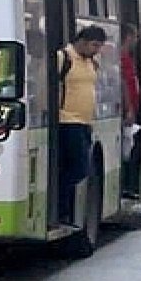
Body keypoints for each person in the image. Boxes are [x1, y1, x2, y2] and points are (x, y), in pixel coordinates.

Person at [56, 26, 106, 225]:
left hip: (84, 122)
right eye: (94, 45)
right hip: (67, 121)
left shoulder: (91, 61)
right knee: (78, 168)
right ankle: (61, 208)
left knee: (79, 168)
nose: (96, 50)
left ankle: (64, 210)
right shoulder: (64, 58)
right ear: (82, 41)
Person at [120, 24, 141, 196]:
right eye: (135, 37)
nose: (136, 41)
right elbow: (123, 84)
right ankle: (127, 185)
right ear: (128, 37)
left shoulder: (127, 57)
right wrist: (128, 109)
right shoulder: (121, 58)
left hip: (131, 111)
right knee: (128, 150)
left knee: (130, 147)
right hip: (127, 113)